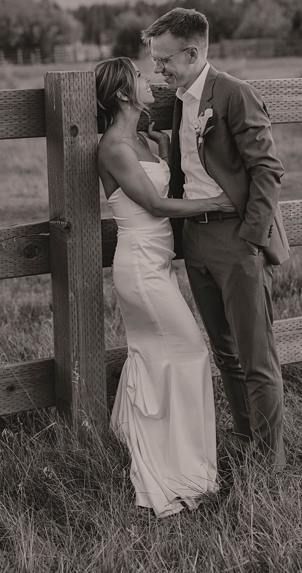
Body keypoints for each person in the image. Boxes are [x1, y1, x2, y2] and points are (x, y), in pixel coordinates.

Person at [144, 8, 291, 470]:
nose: (158, 70)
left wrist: (250, 238)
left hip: (236, 242)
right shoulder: (181, 100)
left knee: (256, 357)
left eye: (164, 60)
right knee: (224, 352)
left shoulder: (233, 94)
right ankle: (247, 439)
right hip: (196, 242)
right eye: (154, 60)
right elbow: (193, 162)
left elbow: (267, 169)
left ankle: (271, 463)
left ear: (192, 52)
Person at [93, 56, 233, 516]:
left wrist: (166, 150)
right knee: (191, 350)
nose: (150, 80)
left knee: (157, 356)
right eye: (139, 76)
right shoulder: (114, 146)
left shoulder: (140, 140)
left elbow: (162, 179)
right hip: (139, 267)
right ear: (121, 94)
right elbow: (153, 204)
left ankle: (146, 441)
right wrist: (216, 203)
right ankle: (179, 467)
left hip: (158, 264)